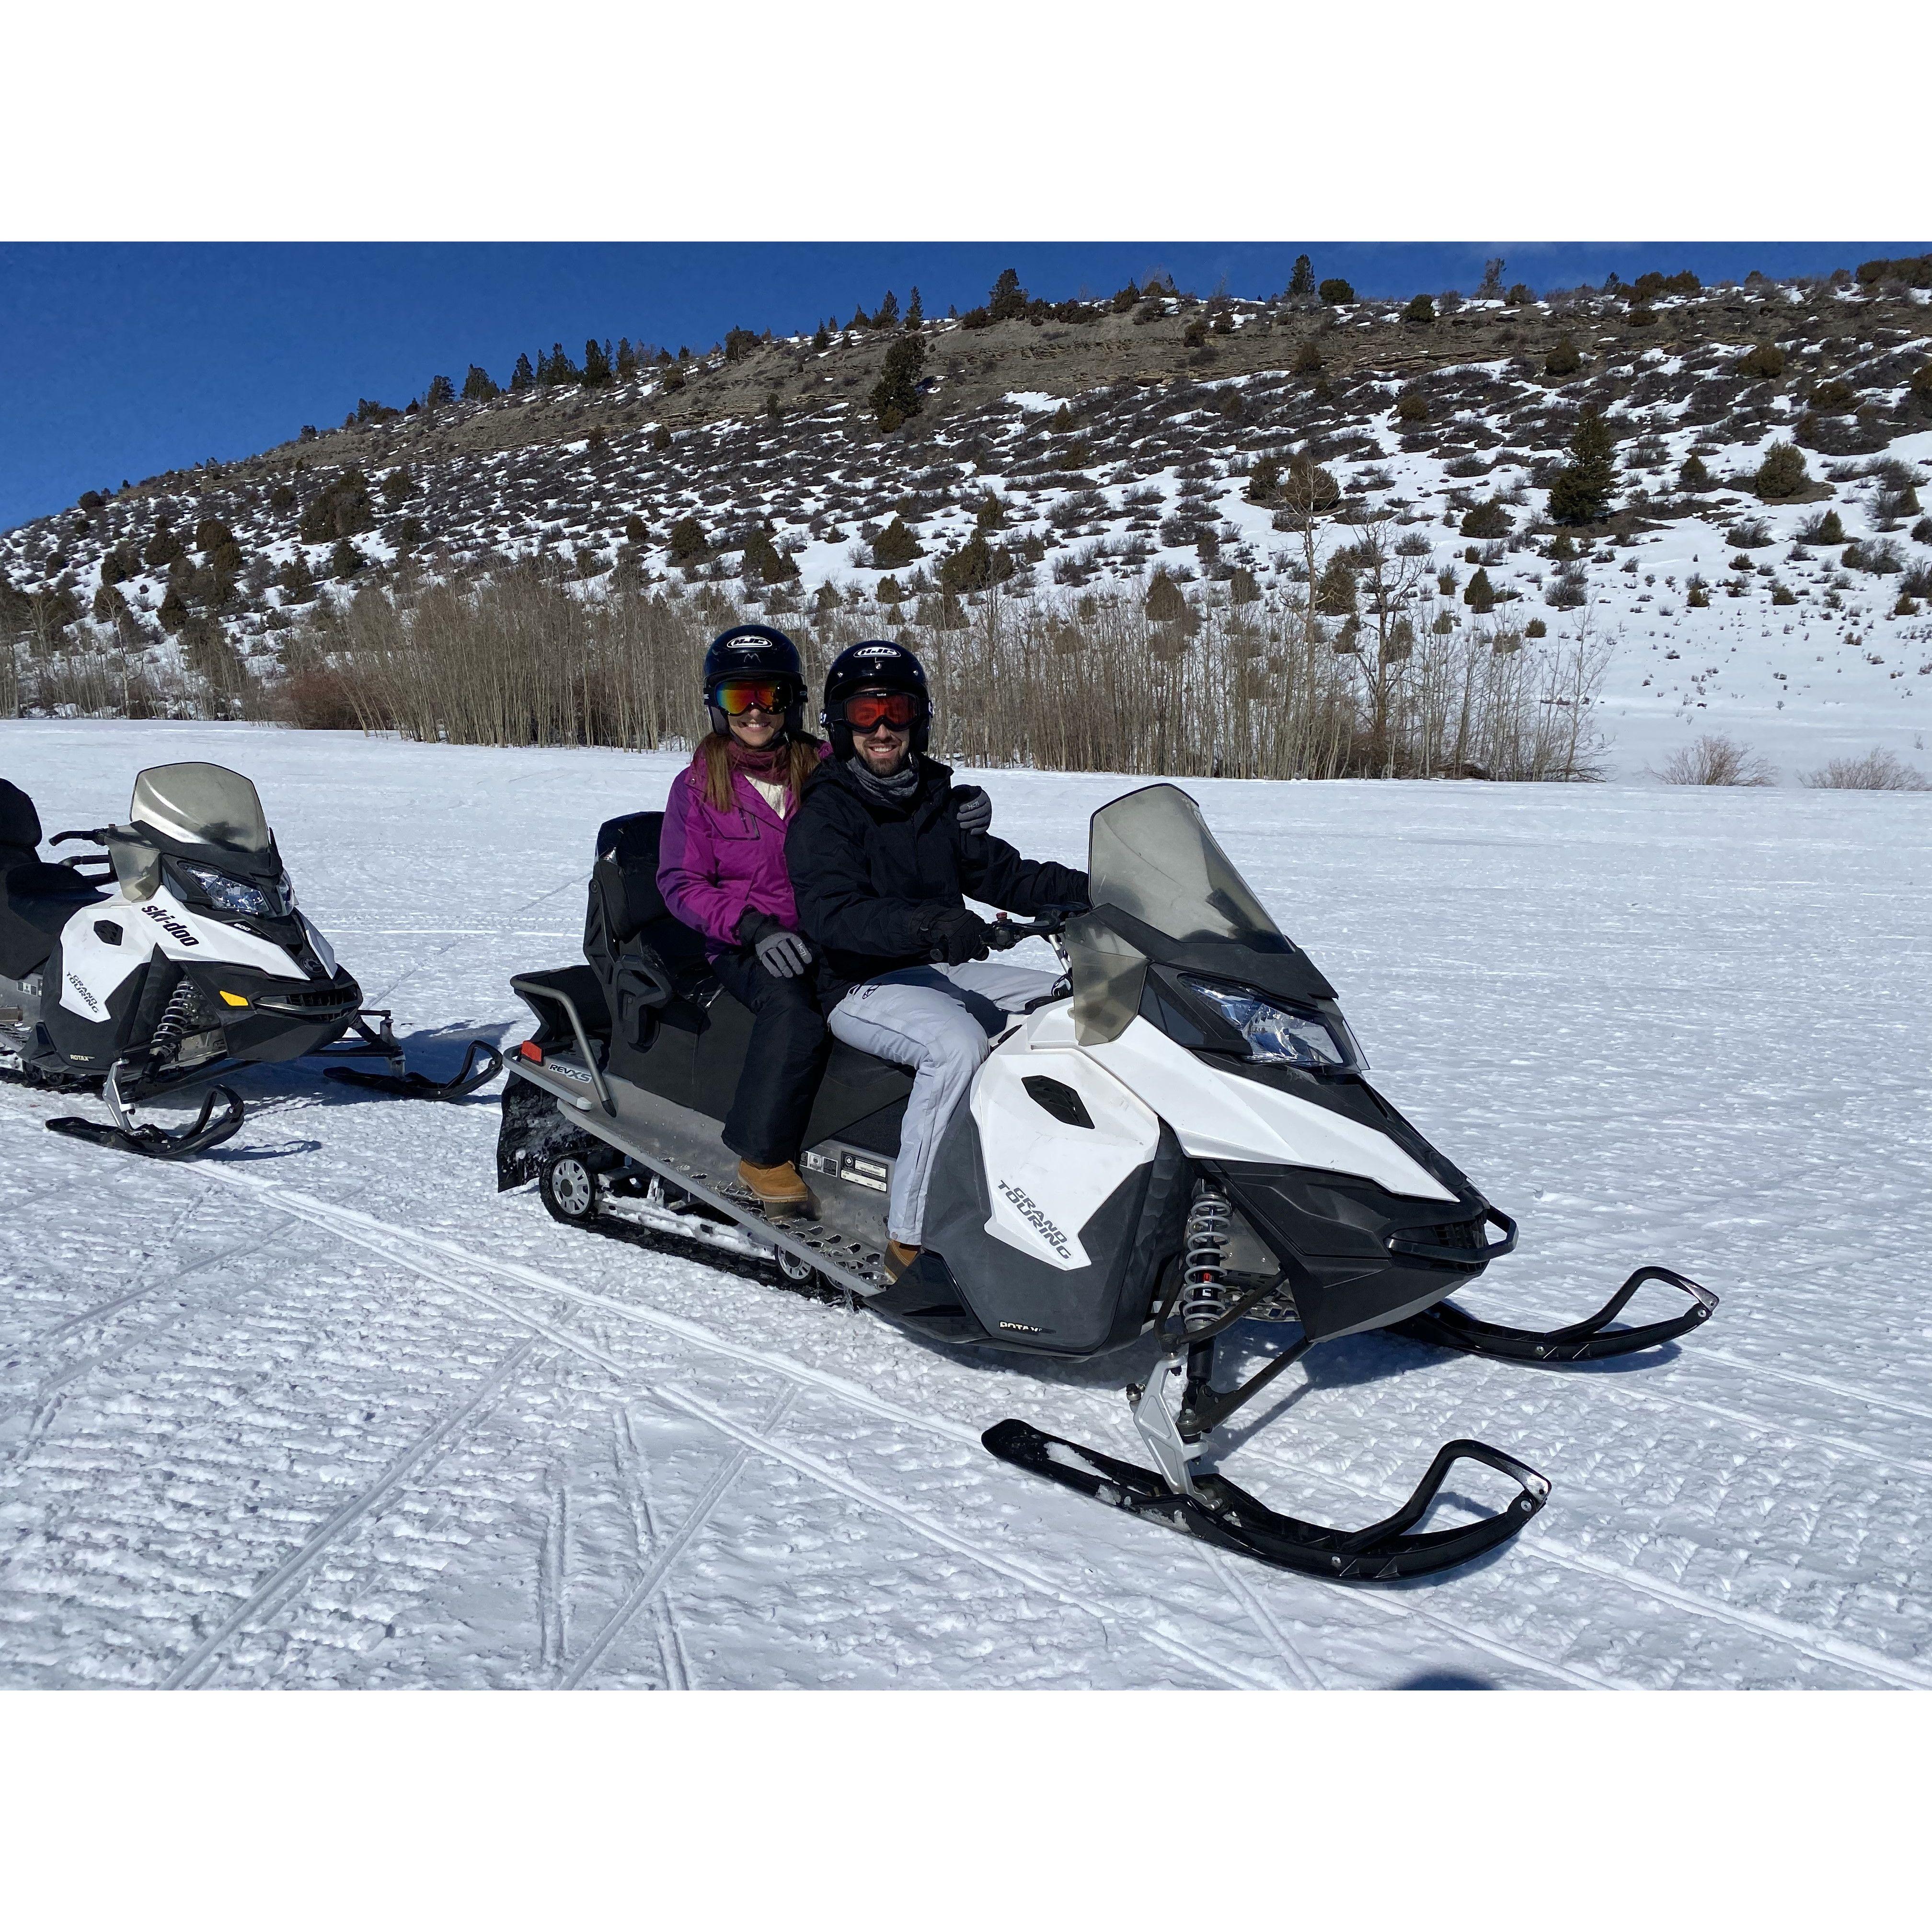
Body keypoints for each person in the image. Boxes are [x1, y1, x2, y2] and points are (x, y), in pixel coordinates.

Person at [786, 640, 1085, 1280]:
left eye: (895, 710)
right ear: (840, 724)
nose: (882, 728)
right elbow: (834, 914)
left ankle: (1041, 1187)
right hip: (858, 984)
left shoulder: (933, 799)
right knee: (956, 1045)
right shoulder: (825, 812)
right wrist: (928, 923)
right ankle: (910, 1239)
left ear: (918, 718)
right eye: (865, 713)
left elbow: (1005, 875)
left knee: (1067, 1007)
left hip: (940, 968)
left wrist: (1103, 891)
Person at [656, 624, 833, 1215]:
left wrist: (953, 804)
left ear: (792, 701)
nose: (755, 711)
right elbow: (680, 884)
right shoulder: (697, 787)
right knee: (793, 1008)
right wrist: (752, 927)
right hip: (741, 943)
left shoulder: (825, 767)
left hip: (828, 928)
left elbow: (892, 792)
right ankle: (762, 1152)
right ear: (717, 705)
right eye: (739, 697)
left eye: (770, 695)